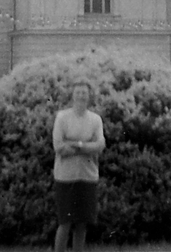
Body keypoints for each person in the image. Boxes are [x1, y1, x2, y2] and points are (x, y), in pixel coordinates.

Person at [52, 82, 105, 252]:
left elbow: (100, 146)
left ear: (89, 96)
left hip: (87, 177)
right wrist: (87, 146)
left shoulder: (95, 119)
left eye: (84, 93)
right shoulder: (62, 117)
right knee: (65, 223)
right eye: (78, 92)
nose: (81, 96)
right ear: (72, 95)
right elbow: (59, 147)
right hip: (65, 178)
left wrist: (75, 144)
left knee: (82, 224)